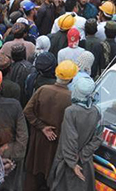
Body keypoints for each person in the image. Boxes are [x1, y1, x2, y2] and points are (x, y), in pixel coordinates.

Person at [23, 60, 75, 191]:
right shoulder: (71, 98)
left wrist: (42, 127)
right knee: (51, 176)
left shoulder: (43, 89)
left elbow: (27, 111)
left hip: (38, 140)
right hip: (56, 144)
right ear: (71, 79)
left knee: (33, 175)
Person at [48, 77, 102, 191]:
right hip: (85, 163)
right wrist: (83, 155)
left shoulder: (71, 111)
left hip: (67, 161)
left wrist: (72, 163)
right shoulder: (97, 112)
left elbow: (69, 139)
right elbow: (97, 139)